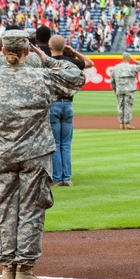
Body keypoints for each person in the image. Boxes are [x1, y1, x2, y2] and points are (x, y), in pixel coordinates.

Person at [0, 31, 87, 279]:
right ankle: (24, 270)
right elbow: (78, 76)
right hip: (36, 154)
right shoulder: (42, 75)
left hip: (3, 154)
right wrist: (47, 59)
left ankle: (7, 270)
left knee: (5, 211)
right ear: (27, 51)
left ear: (2, 50)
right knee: (31, 210)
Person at [48, 35, 94, 187]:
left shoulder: (47, 62)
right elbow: (89, 63)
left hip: (53, 103)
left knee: (55, 143)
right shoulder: (71, 62)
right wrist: (73, 51)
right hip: (67, 104)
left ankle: (56, 178)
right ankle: (66, 178)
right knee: (65, 144)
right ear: (64, 47)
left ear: (50, 47)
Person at [109, 53, 140, 129]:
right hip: (129, 90)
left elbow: (112, 80)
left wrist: (114, 89)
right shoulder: (132, 67)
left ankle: (121, 124)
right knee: (128, 106)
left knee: (120, 106)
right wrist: (136, 61)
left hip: (119, 90)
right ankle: (127, 123)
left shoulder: (116, 68)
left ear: (122, 58)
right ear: (129, 58)